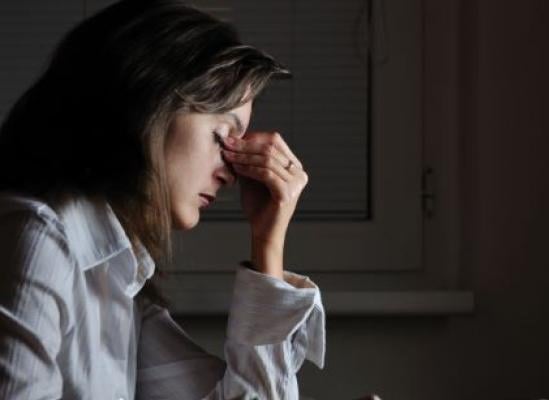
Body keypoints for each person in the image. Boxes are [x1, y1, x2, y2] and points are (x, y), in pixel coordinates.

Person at [0, 1, 325, 399]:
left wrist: (267, 242)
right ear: (151, 103)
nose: (232, 170)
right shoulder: (37, 238)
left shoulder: (119, 276)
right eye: (223, 136)